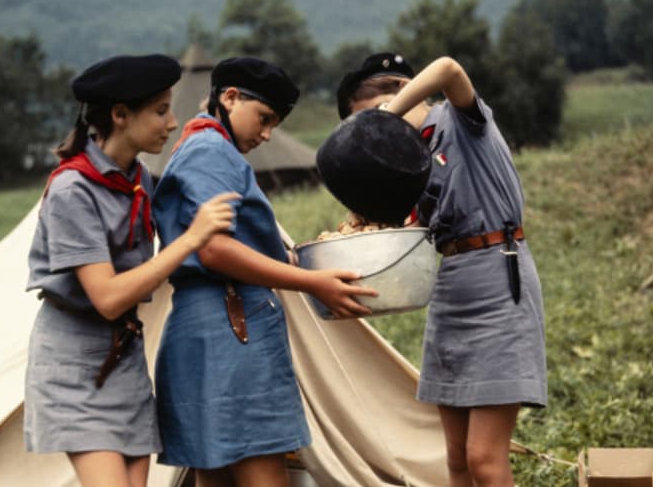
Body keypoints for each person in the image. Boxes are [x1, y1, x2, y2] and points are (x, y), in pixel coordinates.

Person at [151, 57, 377, 487]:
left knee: (214, 478)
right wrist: (312, 281)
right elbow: (214, 249)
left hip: (209, 328)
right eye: (265, 118)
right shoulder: (210, 149)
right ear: (229, 97)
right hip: (232, 328)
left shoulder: (196, 146)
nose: (267, 134)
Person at [24, 53, 240, 487]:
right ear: (120, 115)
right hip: (74, 364)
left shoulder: (138, 178)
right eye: (160, 111)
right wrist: (189, 240)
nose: (173, 122)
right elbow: (106, 298)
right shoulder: (73, 190)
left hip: (124, 361)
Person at [336, 53, 547, 487]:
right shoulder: (411, 157)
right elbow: (411, 227)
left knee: (484, 459)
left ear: (394, 95)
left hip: (496, 279)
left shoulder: (460, 120)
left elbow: (449, 68)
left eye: (369, 125)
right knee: (455, 459)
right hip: (451, 287)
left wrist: (387, 120)